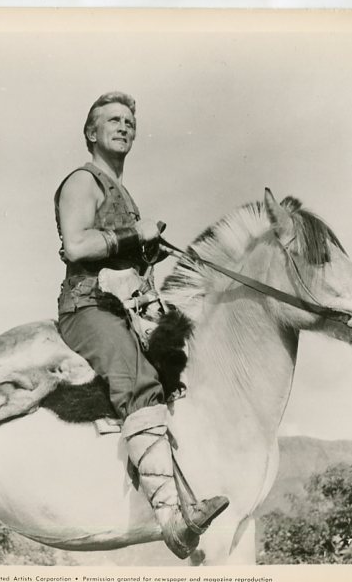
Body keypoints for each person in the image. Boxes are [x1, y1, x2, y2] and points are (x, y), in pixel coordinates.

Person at [53, 91, 229, 559]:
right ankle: (172, 521)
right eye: (112, 120)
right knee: (138, 378)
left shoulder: (121, 190)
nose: (123, 126)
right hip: (87, 308)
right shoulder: (82, 182)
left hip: (123, 308)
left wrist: (146, 249)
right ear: (91, 133)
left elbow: (120, 251)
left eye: (129, 121)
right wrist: (136, 234)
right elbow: (76, 246)